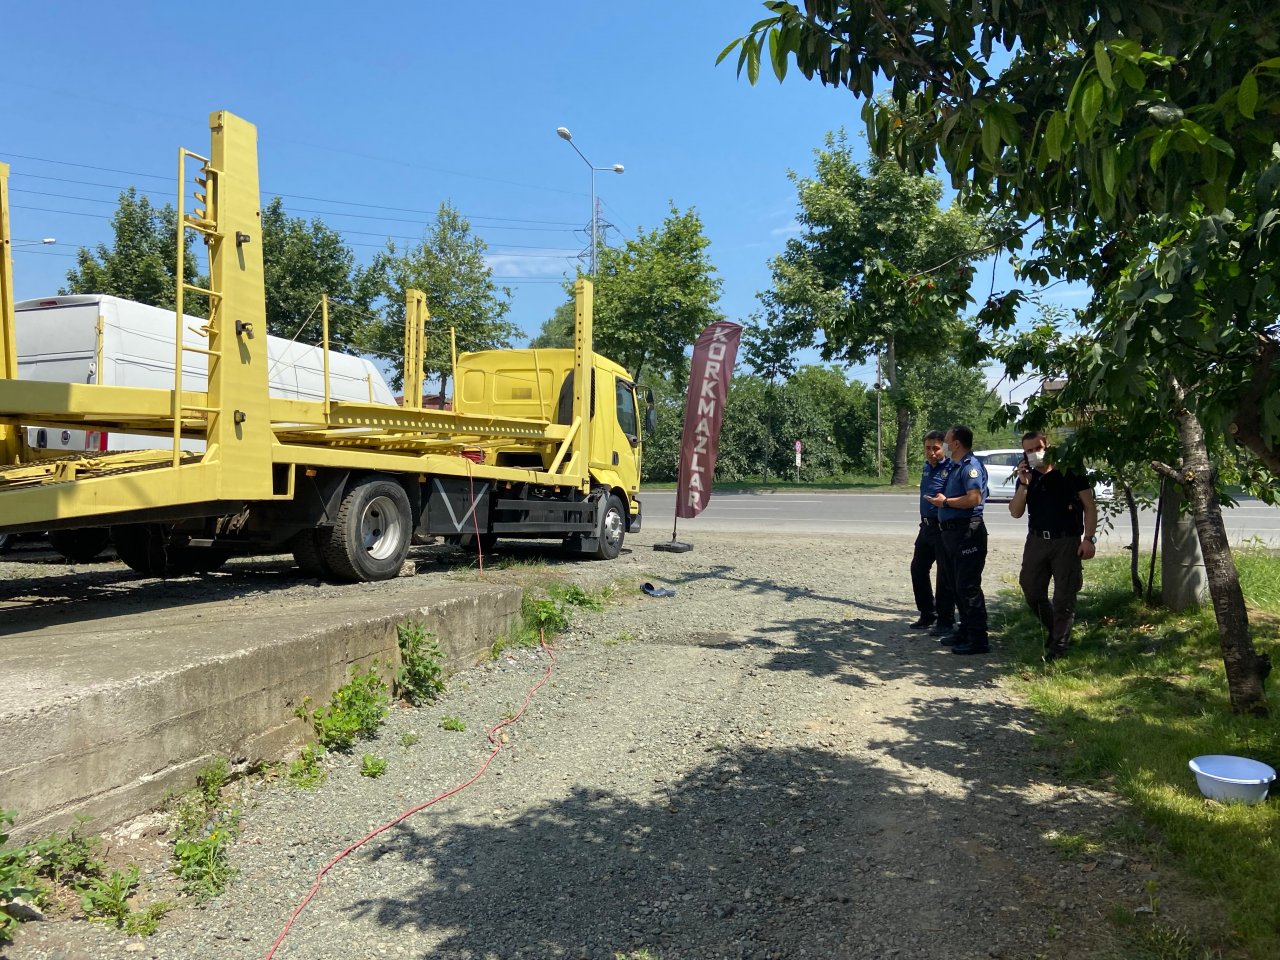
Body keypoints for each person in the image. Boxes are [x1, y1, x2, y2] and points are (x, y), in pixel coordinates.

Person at [1008, 431, 1098, 660]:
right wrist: (1023, 484)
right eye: (1028, 451)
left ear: (1047, 446)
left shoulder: (1070, 469)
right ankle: (1057, 631)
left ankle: (1058, 648)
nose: (1033, 454)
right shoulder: (1027, 477)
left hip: (1066, 541)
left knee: (1064, 597)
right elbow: (1015, 512)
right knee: (1031, 589)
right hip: (1037, 540)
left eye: (1037, 448)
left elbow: (1089, 506)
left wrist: (1089, 539)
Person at [926, 425, 989, 655]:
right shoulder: (955, 466)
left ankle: (979, 639)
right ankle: (965, 631)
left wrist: (945, 502)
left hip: (967, 533)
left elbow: (974, 498)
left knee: (968, 587)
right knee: (956, 586)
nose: (944, 443)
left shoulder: (970, 467)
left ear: (956, 444)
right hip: (951, 533)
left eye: (947, 440)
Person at [909, 431, 956, 633]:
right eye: (927, 448)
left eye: (935, 448)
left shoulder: (952, 468)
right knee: (918, 569)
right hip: (926, 526)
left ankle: (946, 620)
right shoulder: (926, 467)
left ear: (944, 448)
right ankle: (927, 613)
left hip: (942, 527)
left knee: (944, 575)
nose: (931, 452)